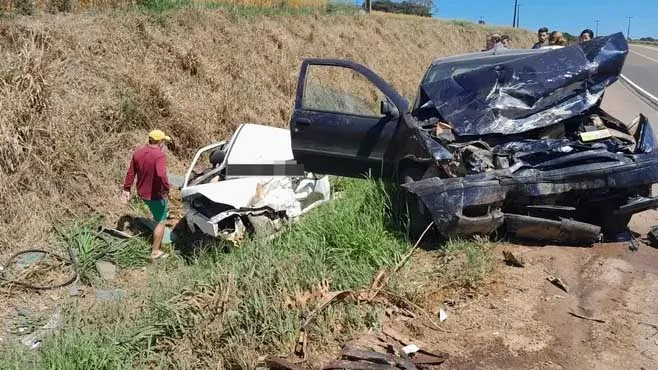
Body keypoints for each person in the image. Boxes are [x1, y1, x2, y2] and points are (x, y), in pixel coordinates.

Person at [121, 129, 172, 261]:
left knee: (158, 214)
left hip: (142, 192)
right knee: (161, 221)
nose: (163, 144)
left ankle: (151, 230)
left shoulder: (138, 152)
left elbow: (131, 173)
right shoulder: (159, 155)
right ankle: (155, 252)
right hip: (155, 194)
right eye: (163, 142)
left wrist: (126, 189)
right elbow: (161, 175)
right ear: (160, 142)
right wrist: (166, 188)